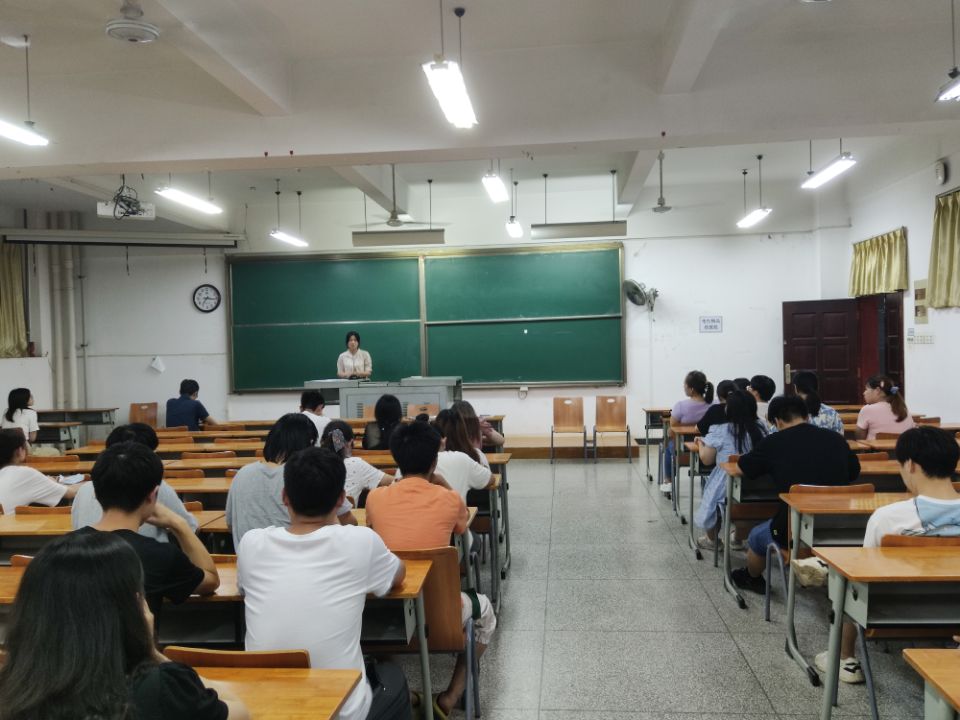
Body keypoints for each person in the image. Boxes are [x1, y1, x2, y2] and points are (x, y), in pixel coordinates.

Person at [0, 531, 248, 720]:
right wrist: (150, 651)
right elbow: (240, 711)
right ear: (132, 608)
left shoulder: (12, 687)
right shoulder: (158, 689)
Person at [237, 447, 408, 720]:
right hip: (339, 711)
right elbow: (399, 575)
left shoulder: (251, 544)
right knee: (393, 675)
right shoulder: (360, 541)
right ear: (341, 499)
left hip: (263, 708)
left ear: (284, 496)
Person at [366, 421, 497, 718]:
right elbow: (463, 523)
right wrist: (443, 483)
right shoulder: (448, 499)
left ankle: (402, 693)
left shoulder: (375, 498)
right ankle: (448, 699)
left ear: (397, 460)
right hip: (442, 615)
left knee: (382, 608)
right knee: (486, 614)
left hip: (390, 617)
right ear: (434, 462)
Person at [810, 426, 960, 684]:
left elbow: (862, 573)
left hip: (892, 611)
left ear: (910, 465)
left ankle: (845, 658)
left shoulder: (888, 517)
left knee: (846, 583)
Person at [729, 395, 861, 593]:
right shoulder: (836, 439)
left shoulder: (773, 442)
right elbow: (854, 472)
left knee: (756, 535)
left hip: (790, 530)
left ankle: (752, 578)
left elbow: (742, 467)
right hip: (842, 526)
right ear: (806, 416)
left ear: (777, 421)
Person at [73, 441, 219, 616]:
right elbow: (211, 580)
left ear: (96, 493)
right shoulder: (161, 556)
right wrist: (179, 524)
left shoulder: (56, 552)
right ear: (153, 495)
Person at [226, 413, 354, 547]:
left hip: (249, 557)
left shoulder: (242, 474)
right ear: (310, 443)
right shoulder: (305, 474)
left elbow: (230, 525)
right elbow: (348, 521)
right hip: (302, 555)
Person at [72, 423, 198, 542]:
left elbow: (76, 526)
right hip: (145, 555)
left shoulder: (84, 489)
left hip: (87, 553)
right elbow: (191, 528)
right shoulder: (155, 486)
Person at [693, 391, 768, 550]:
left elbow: (706, 459)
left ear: (730, 409)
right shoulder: (762, 427)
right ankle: (738, 538)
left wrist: (700, 443)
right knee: (742, 505)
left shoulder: (720, 430)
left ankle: (712, 540)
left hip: (728, 484)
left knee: (712, 494)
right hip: (758, 487)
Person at [0, 429, 84, 514]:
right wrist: (88, 483)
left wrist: (46, 481)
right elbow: (70, 493)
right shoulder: (25, 474)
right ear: (19, 451)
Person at [662, 370, 714, 495]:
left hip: (683, 452)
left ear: (692, 389)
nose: (683, 387)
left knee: (668, 448)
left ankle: (668, 481)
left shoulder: (681, 406)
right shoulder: (713, 404)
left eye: (685, 385)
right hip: (708, 450)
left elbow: (672, 429)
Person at [320, 420, 393, 502]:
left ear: (322, 442)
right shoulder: (355, 464)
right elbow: (393, 481)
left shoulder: (312, 462)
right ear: (350, 443)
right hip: (345, 510)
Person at [428, 409, 494, 501]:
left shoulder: (426, 460)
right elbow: (489, 479)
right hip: (469, 506)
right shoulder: (471, 455)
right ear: (463, 431)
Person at [855, 374, 915, 440]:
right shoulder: (904, 410)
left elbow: (860, 438)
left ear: (877, 390)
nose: (864, 393)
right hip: (901, 446)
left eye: (866, 389)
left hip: (875, 447)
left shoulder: (867, 410)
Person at [793, 370, 844, 434]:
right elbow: (840, 437)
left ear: (796, 388)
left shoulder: (789, 413)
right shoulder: (831, 413)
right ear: (817, 387)